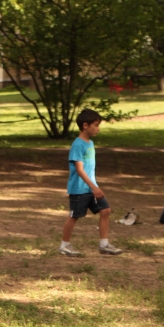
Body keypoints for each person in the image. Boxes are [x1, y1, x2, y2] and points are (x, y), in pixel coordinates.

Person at [59, 109, 122, 257]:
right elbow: (80, 170)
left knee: (105, 210)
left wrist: (94, 186)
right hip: (79, 189)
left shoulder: (90, 143)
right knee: (74, 216)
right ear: (86, 125)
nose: (98, 128)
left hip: (91, 188)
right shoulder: (78, 145)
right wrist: (94, 187)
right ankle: (64, 245)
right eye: (96, 125)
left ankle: (104, 244)